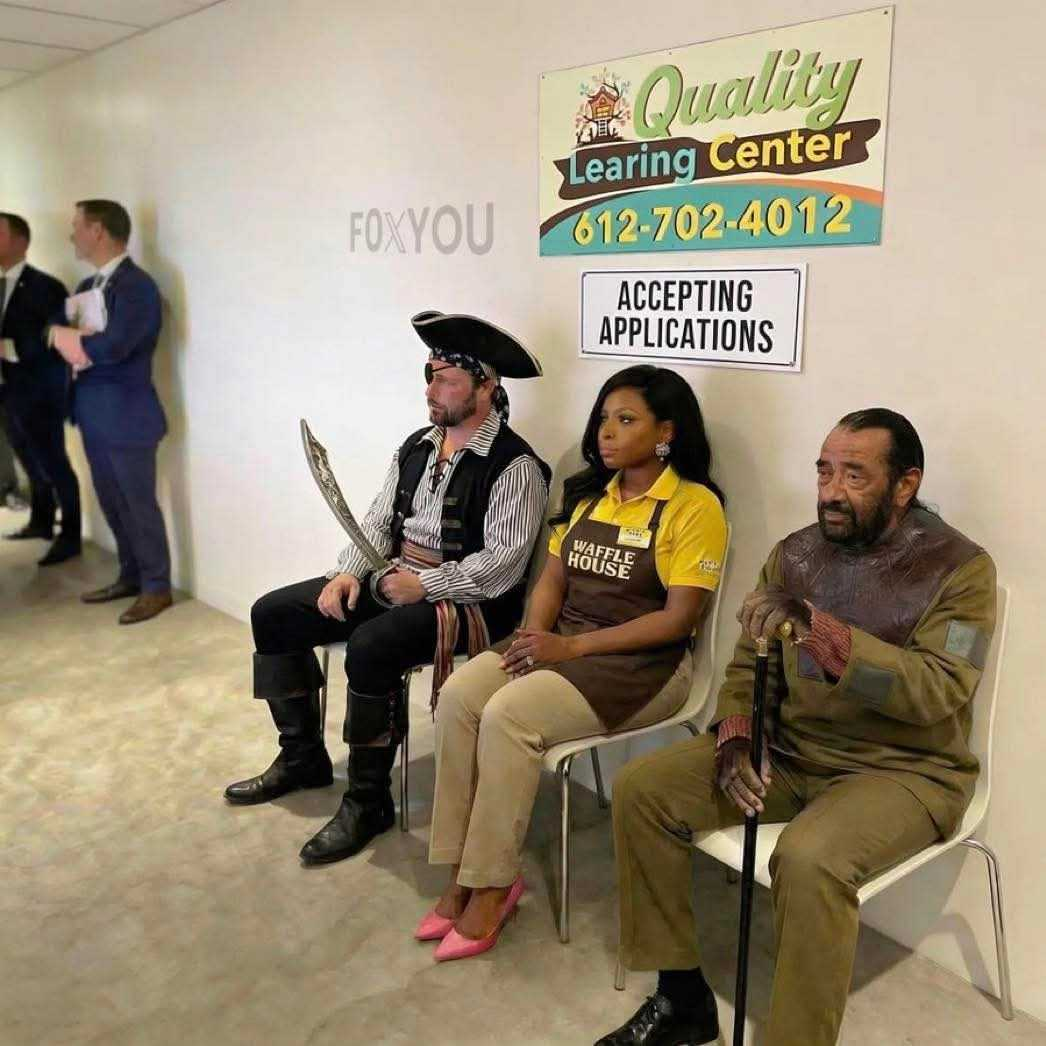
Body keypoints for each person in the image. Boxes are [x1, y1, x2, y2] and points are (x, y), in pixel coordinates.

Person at [595, 408, 996, 1046]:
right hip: (790, 750)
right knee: (643, 790)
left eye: (854, 476)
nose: (831, 492)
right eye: (823, 471)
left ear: (905, 485)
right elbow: (746, 663)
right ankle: (682, 1000)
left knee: (809, 860)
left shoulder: (962, 570)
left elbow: (939, 689)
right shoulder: (795, 555)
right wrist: (736, 732)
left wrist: (821, 632)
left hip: (903, 771)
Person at [417, 365, 728, 962]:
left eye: (626, 420)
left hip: (644, 664)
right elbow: (552, 581)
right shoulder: (590, 495)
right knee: (458, 695)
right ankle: (462, 872)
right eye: (604, 418)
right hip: (562, 640)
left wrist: (570, 649)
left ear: (666, 432)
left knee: (508, 715)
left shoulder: (695, 506)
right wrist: (535, 635)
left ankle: (493, 886)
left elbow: (678, 620)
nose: (606, 432)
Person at [224, 310, 551, 866]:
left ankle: (368, 800)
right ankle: (302, 757)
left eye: (447, 380)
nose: (431, 390)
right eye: (429, 376)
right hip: (393, 575)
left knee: (373, 646)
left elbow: (501, 567)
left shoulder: (515, 466)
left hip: (470, 602)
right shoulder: (418, 445)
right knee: (274, 614)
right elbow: (378, 521)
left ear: (486, 387)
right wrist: (350, 572)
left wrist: (423, 585)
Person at [49, 200, 173, 623]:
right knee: (112, 501)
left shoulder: (137, 286)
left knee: (138, 504)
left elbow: (115, 346)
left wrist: (72, 340)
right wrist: (72, 339)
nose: (72, 234)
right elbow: (73, 339)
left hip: (127, 414)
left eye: (77, 225)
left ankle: (156, 586)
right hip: (92, 411)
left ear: (98, 230)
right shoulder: (88, 283)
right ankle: (131, 575)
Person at [0, 212, 80, 563]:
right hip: (7, 392)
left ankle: (71, 535)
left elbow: (54, 338)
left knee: (55, 463)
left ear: (21, 240)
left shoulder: (46, 287)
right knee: (27, 459)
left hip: (39, 393)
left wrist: (8, 348)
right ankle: (41, 520)